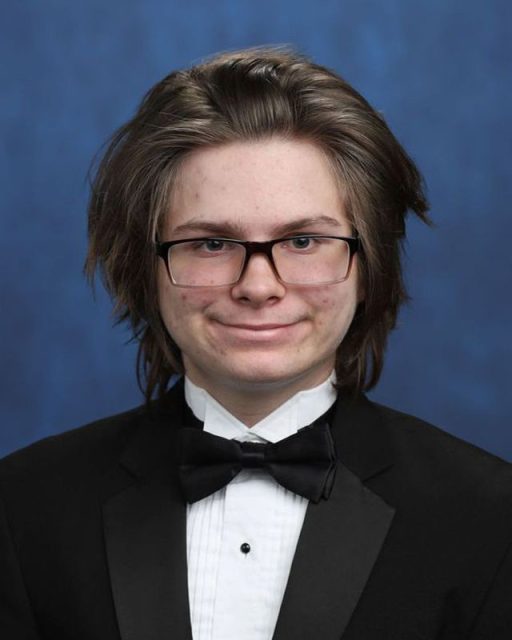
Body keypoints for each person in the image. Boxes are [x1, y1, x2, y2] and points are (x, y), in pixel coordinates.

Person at [1, 47, 511, 640]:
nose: (258, 287)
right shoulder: (22, 506)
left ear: (369, 264)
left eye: (303, 241)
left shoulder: (490, 516)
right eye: (212, 244)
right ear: (145, 269)